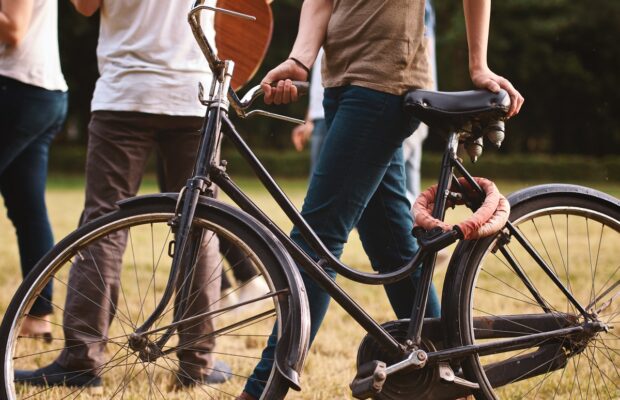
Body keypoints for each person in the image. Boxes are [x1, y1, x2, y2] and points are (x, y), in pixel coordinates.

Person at [237, 1, 524, 399]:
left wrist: (479, 66)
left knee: (315, 243)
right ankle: (448, 371)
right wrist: (299, 61)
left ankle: (260, 390)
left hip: (384, 83)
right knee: (393, 251)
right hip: (341, 86)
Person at [15, 0, 232, 390]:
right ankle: (197, 362)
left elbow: (84, 7)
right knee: (199, 226)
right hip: (194, 92)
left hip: (125, 92)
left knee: (102, 226)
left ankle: (82, 361)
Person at [0, 0, 68, 340]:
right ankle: (38, 314)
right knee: (28, 211)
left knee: (28, 213)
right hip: (41, 92)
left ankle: (39, 312)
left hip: (17, 89)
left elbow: (13, 29)